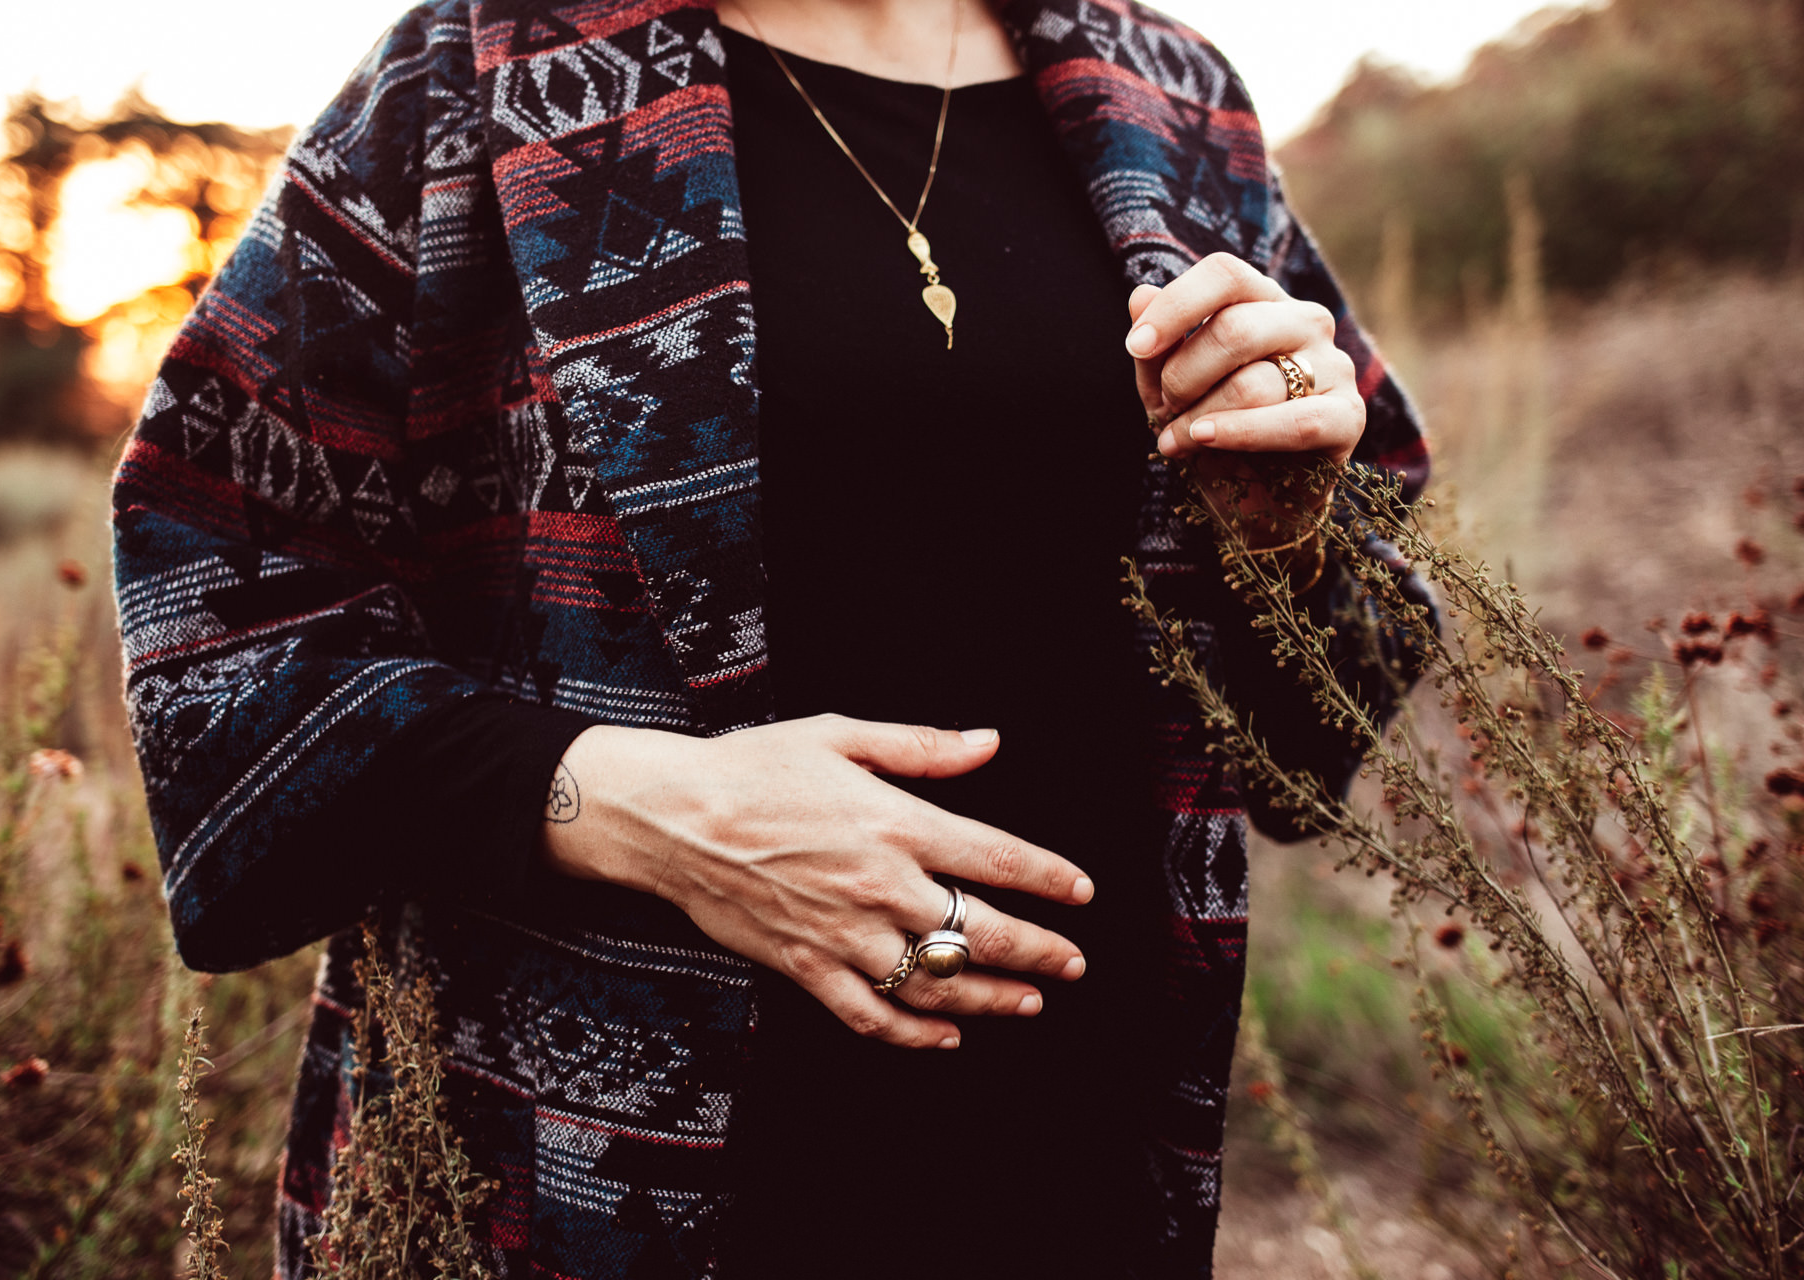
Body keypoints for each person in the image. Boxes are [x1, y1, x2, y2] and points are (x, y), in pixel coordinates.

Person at [112, 0, 1429, 1276]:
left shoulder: (1173, 98)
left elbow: (1320, 729)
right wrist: (642, 808)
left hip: (1080, 1142)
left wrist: (1285, 529)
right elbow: (217, 613)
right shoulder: (477, 72)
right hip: (587, 1188)